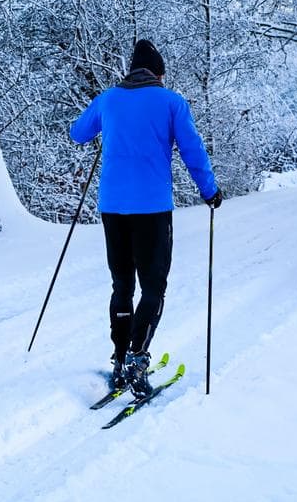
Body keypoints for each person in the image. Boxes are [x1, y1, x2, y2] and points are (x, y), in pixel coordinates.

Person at [70, 39, 223, 398]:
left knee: (122, 284)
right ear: (159, 72)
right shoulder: (171, 102)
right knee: (153, 285)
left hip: (112, 207)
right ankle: (138, 357)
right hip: (152, 210)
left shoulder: (108, 99)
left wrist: (106, 127)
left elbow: (78, 133)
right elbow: (191, 149)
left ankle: (120, 356)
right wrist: (209, 191)